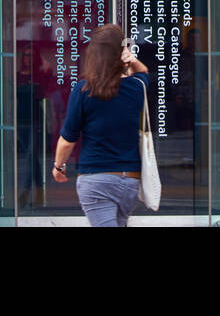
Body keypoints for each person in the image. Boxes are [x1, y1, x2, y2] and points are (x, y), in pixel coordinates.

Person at [51, 24, 150, 227]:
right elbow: (143, 71)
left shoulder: (84, 89)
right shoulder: (137, 87)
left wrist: (58, 166)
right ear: (121, 52)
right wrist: (130, 59)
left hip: (96, 180)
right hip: (130, 180)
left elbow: (68, 139)